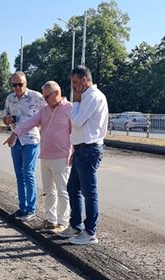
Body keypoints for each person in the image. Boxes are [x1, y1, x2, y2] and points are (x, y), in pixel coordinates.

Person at [4, 81, 72, 232]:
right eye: (45, 97)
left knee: (62, 190)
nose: (45, 100)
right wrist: (15, 134)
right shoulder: (45, 110)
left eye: (47, 97)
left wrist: (72, 152)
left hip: (62, 156)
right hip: (46, 155)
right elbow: (30, 122)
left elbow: (75, 132)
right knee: (49, 190)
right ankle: (50, 220)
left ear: (57, 93)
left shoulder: (69, 108)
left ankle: (63, 222)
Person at [59, 66, 108, 245]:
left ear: (85, 81)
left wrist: (77, 101)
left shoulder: (92, 97)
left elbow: (77, 121)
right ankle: (76, 225)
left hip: (89, 149)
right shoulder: (87, 96)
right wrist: (75, 149)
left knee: (89, 192)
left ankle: (90, 232)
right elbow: (78, 127)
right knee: (73, 188)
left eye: (75, 83)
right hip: (81, 149)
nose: (73, 87)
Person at [2, 71, 46, 221]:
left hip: (30, 140)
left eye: (20, 84)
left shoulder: (36, 97)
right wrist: (7, 120)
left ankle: (30, 209)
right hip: (15, 140)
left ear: (26, 83)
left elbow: (47, 113)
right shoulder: (10, 98)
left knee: (28, 173)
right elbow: (4, 117)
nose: (17, 88)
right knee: (19, 176)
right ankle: (22, 207)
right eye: (14, 85)